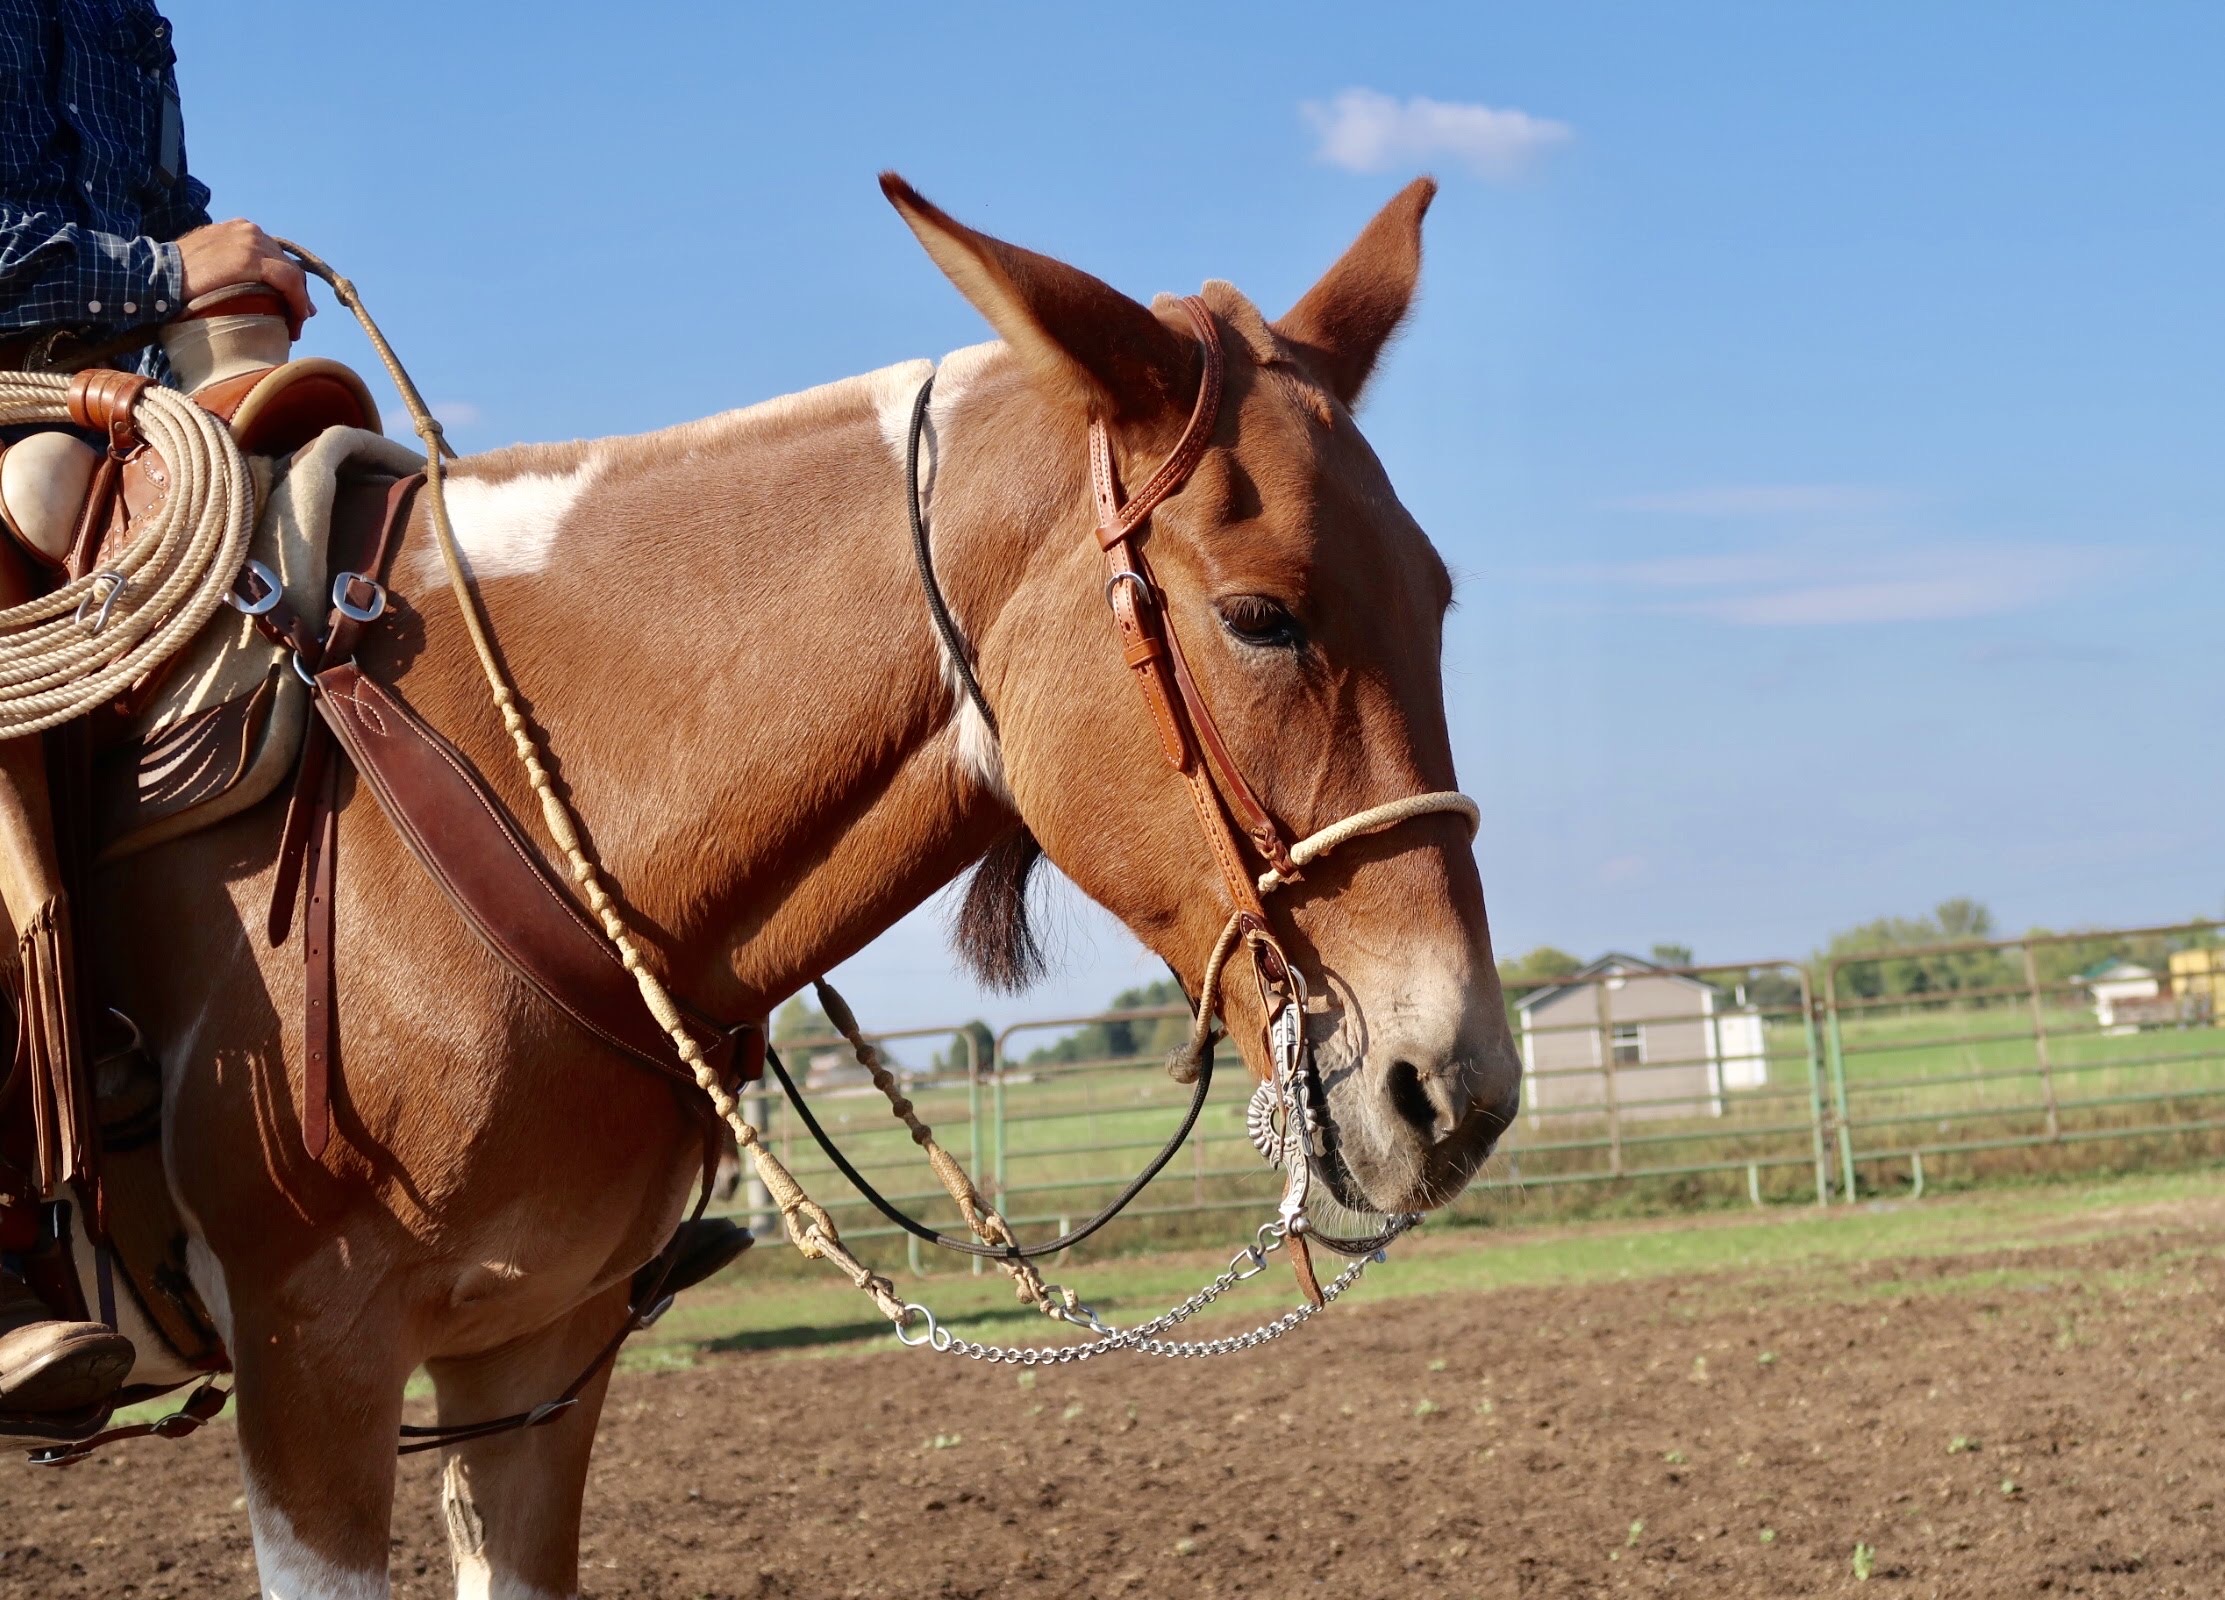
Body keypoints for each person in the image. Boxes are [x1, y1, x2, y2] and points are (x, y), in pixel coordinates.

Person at [0, 2, 749, 1426]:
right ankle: (12, 1236)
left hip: (128, 406)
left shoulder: (120, 16)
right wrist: (162, 267)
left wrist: (227, 274)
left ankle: (544, 1181)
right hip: (21, 406)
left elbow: (171, 212)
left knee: (383, 590)